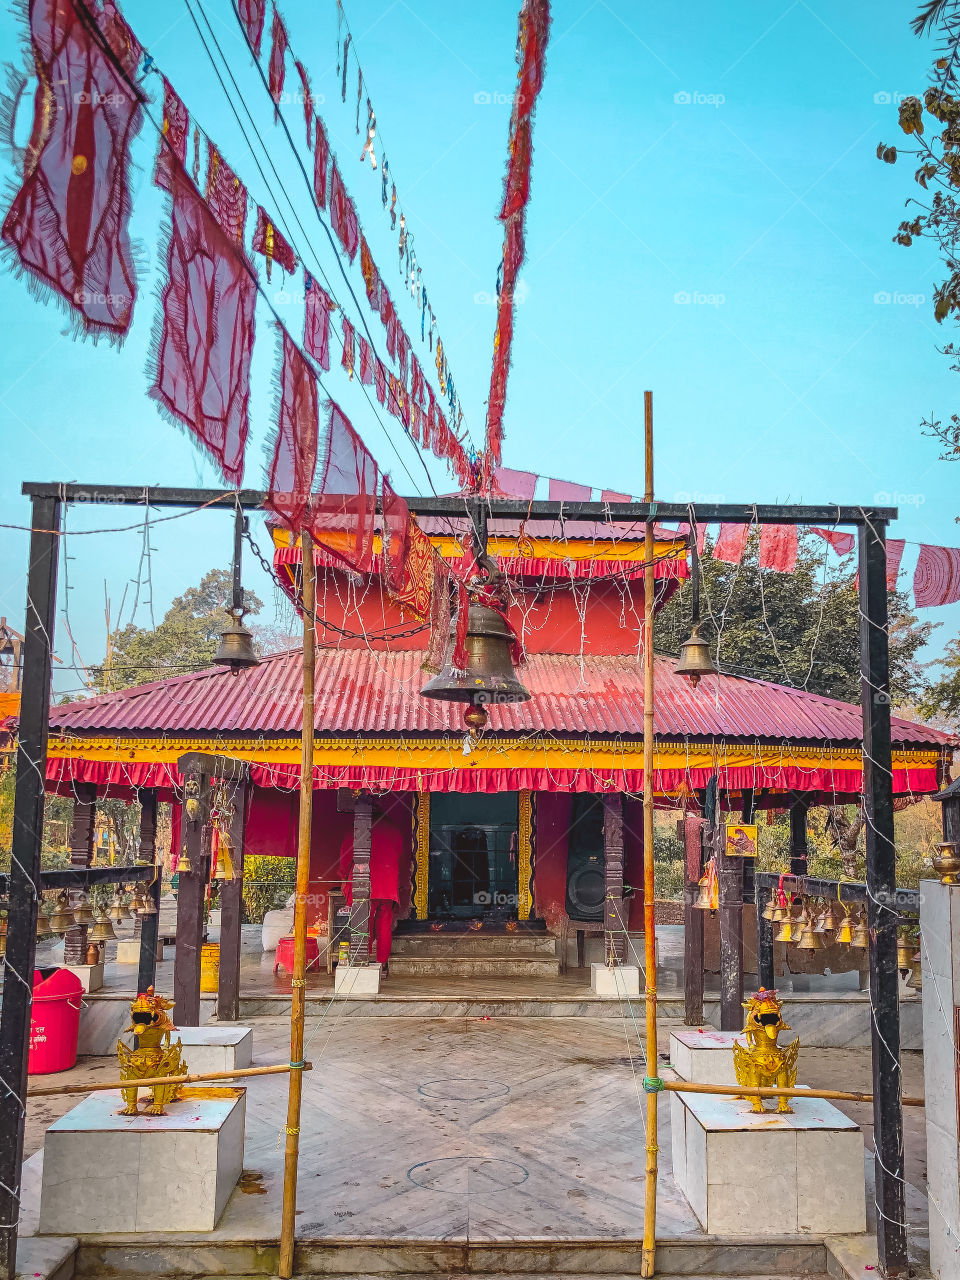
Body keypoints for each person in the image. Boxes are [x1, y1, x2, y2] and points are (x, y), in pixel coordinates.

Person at [339, 806, 404, 971]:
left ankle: (363, 960)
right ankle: (382, 963)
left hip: (364, 882)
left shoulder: (358, 827)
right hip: (387, 884)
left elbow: (346, 857)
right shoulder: (393, 828)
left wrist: (343, 878)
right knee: (384, 924)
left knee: (363, 922)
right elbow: (398, 852)